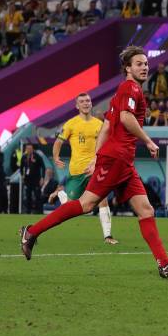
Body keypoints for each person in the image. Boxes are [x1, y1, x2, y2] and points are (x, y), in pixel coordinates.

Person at [19, 46, 168, 279]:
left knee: (145, 209)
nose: (144, 67)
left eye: (145, 63)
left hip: (121, 161)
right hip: (117, 159)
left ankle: (164, 264)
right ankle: (31, 232)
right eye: (139, 64)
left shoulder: (121, 92)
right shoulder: (130, 88)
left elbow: (107, 126)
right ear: (128, 68)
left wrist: (95, 157)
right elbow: (126, 118)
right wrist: (148, 142)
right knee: (86, 204)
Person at [50, 93, 117, 244]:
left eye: (88, 100)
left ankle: (108, 236)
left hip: (95, 169)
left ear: (91, 104)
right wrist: (55, 157)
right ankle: (62, 193)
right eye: (82, 101)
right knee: (71, 207)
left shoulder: (99, 124)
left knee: (102, 199)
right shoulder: (71, 124)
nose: (86, 103)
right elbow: (58, 142)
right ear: (77, 106)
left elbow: (108, 144)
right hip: (77, 171)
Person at [21, 143, 45, 214]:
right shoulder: (24, 157)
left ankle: (39, 212)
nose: (29, 150)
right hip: (27, 180)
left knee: (38, 196)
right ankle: (28, 211)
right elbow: (21, 168)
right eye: (27, 149)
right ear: (26, 149)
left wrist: (42, 178)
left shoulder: (37, 157)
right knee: (28, 196)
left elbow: (43, 167)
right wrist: (22, 175)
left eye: (30, 149)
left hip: (36, 180)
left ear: (32, 149)